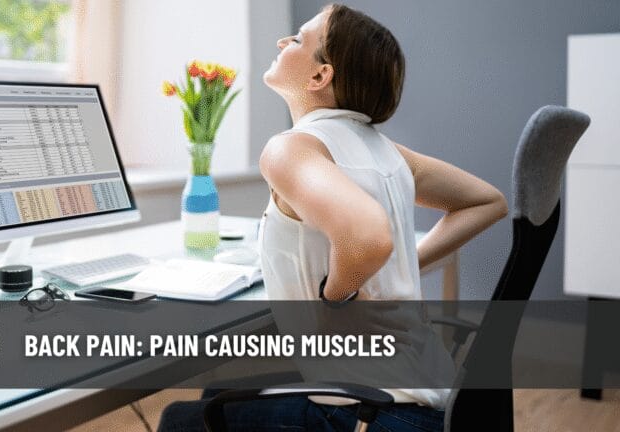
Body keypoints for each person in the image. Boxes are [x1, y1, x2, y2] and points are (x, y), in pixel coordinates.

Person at [159, 3, 508, 431]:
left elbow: (367, 236)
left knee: (180, 420)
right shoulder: (388, 152)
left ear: (320, 76)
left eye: (299, 39)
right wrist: (404, 263)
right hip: (438, 407)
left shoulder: (291, 148)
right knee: (217, 395)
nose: (282, 41)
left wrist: (336, 298)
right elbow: (487, 201)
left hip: (371, 414)